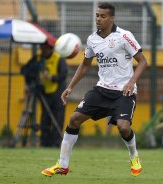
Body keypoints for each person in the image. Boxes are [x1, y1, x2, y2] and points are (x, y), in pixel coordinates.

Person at [41, 2, 147, 177]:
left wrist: (131, 82)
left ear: (111, 18)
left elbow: (143, 61)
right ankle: (62, 164)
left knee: (123, 127)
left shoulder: (124, 36)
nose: (99, 19)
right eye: (97, 15)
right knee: (74, 119)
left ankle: (134, 156)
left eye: (103, 16)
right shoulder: (92, 40)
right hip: (101, 89)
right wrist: (70, 87)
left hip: (124, 92)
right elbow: (85, 65)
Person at [22, 41, 68, 147]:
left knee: (58, 117)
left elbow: (63, 75)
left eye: (44, 48)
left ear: (50, 48)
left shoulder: (59, 59)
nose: (42, 50)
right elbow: (25, 69)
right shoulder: (38, 59)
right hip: (44, 93)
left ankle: (56, 143)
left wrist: (51, 78)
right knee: (45, 119)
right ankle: (45, 143)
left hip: (58, 93)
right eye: (41, 48)